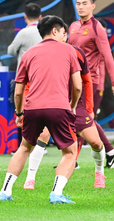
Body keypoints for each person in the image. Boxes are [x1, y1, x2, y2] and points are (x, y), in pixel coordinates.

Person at [0, 15, 82, 203]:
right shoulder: (69, 51)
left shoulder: (29, 54)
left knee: (24, 148)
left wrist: (20, 114)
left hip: (32, 108)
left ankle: (5, 191)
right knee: (70, 152)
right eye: (63, 32)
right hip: (59, 108)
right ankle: (56, 193)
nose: (65, 36)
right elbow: (77, 87)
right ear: (55, 31)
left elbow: (18, 92)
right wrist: (72, 107)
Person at [23, 36, 107, 189]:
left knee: (95, 142)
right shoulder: (41, 53)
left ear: (64, 35)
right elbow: (29, 83)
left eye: (61, 33)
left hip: (77, 105)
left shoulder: (76, 52)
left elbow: (87, 82)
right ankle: (30, 179)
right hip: (52, 103)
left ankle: (100, 174)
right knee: (42, 137)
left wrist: (89, 108)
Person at [68, 0, 114, 168]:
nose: (80, 7)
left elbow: (107, 56)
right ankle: (111, 152)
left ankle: (105, 152)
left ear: (93, 6)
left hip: (88, 81)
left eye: (84, 3)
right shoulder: (73, 26)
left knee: (82, 117)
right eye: (78, 3)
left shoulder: (97, 28)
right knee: (77, 117)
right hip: (72, 79)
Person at [7, 2, 42, 152]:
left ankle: (25, 144)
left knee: (22, 110)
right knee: (42, 108)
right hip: (42, 76)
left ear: (25, 16)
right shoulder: (45, 31)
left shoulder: (24, 32)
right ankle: (42, 144)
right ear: (40, 17)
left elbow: (10, 51)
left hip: (25, 77)